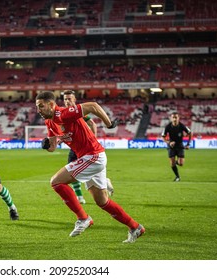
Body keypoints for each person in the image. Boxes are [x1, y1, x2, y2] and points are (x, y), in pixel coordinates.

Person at [36, 91, 144, 243]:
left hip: (93, 156)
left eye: (41, 106)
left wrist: (109, 124)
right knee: (103, 202)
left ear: (52, 105)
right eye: (37, 107)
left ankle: (83, 218)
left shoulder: (64, 114)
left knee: (56, 182)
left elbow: (93, 106)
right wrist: (46, 145)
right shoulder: (49, 122)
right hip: (91, 158)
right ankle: (135, 227)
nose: (38, 110)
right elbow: (53, 147)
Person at [62, 90, 114, 204]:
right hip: (74, 149)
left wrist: (93, 138)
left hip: (86, 149)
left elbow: (92, 123)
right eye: (65, 99)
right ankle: (80, 197)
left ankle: (104, 182)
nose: (67, 101)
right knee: (72, 170)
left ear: (74, 100)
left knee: (76, 173)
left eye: (69, 99)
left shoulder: (79, 111)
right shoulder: (63, 113)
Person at [162, 112, 192, 182]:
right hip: (171, 146)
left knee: (181, 163)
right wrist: (169, 142)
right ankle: (177, 177)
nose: (175, 119)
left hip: (179, 145)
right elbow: (163, 137)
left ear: (178, 118)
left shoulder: (182, 126)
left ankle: (173, 162)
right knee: (172, 163)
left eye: (176, 117)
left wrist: (188, 144)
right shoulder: (168, 127)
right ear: (171, 118)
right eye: (173, 117)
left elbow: (190, 133)